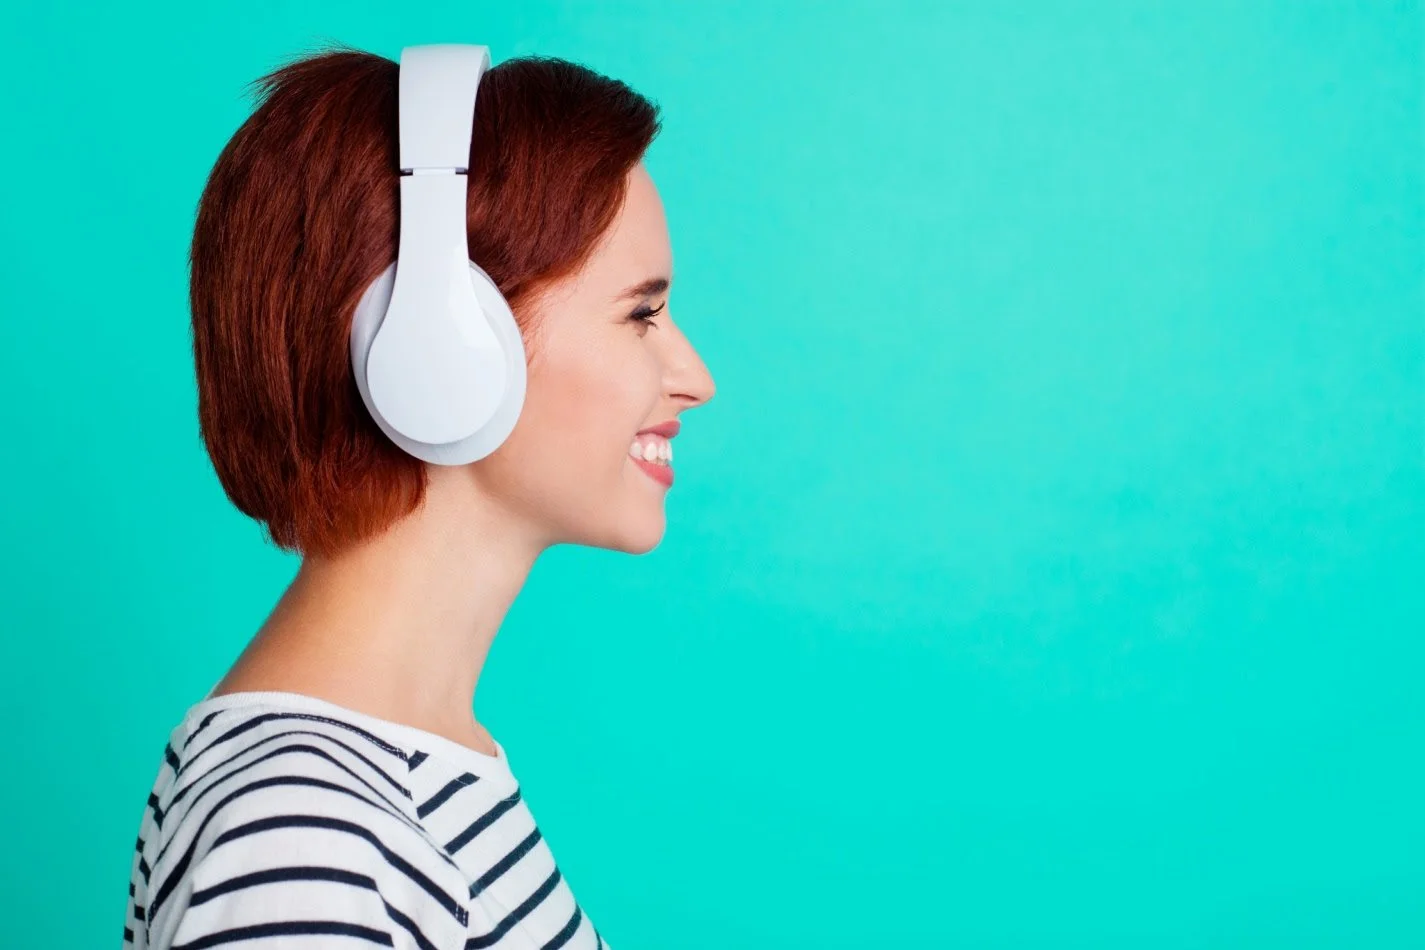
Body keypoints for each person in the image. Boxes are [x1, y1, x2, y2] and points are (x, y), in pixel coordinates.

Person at [121, 43, 715, 950]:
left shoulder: (396, 787)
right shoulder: (306, 836)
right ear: (440, 351)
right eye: (639, 313)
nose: (695, 378)